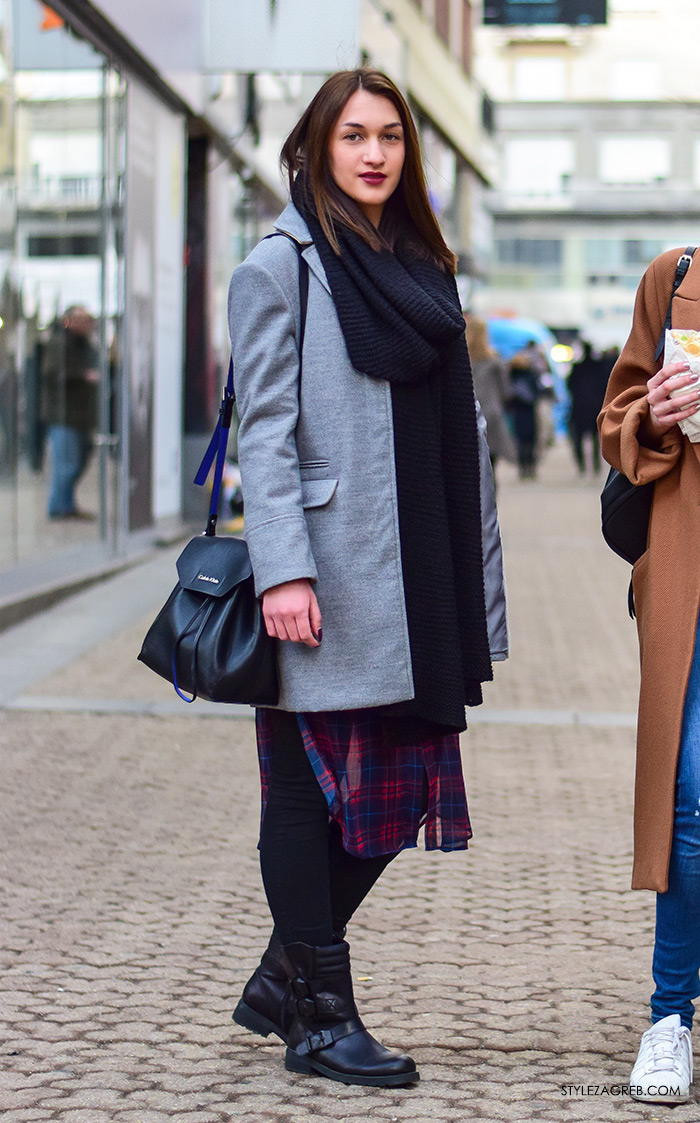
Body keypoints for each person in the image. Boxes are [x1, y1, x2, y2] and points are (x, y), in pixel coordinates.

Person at [227, 69, 508, 1088]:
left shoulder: (423, 265)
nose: (375, 153)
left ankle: (284, 977)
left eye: (389, 135)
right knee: (304, 795)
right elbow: (263, 429)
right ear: (317, 148)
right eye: (353, 135)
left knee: (404, 783)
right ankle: (318, 1018)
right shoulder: (280, 266)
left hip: (419, 574)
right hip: (329, 573)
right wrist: (281, 571)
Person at [598, 247, 700, 1104]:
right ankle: (670, 1016)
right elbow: (617, 416)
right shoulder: (675, 276)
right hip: (690, 576)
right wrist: (655, 415)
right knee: (693, 788)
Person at [41, 305, 99, 519]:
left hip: (80, 416)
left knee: (79, 461)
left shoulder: (85, 345)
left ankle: (66, 504)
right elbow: (52, 374)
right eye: (82, 320)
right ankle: (59, 507)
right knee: (66, 463)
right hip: (63, 415)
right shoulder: (59, 343)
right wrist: (83, 376)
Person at [464, 315, 516, 485]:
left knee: (470, 466)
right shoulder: (494, 361)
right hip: (491, 415)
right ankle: (491, 506)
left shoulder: (462, 360)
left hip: (467, 414)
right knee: (490, 467)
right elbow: (506, 391)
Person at [507, 339, 549, 479]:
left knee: (520, 439)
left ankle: (523, 466)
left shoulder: (512, 376)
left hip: (518, 411)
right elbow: (540, 388)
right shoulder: (532, 373)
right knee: (531, 439)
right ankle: (530, 466)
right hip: (529, 409)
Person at [567, 341, 609, 475]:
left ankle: (582, 466)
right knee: (596, 438)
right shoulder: (599, 367)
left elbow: (570, 385)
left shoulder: (577, 367)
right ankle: (595, 466)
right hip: (596, 407)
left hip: (579, 408)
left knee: (578, 439)